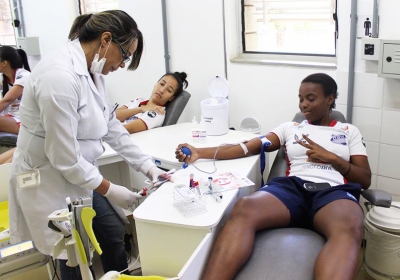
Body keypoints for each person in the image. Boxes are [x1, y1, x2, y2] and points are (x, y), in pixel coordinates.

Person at [8, 10, 168, 280]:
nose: (122, 65)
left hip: (80, 176)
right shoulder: (59, 76)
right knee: (72, 252)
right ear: (105, 40)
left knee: (112, 232)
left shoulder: (94, 72)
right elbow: (64, 158)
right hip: (49, 179)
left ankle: (118, 276)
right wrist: (112, 189)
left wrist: (146, 165)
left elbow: (110, 126)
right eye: (125, 55)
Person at [175, 73, 371, 280]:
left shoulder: (349, 131)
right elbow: (248, 147)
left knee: (350, 224)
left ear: (330, 99)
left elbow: (364, 178)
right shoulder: (290, 128)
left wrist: (333, 159)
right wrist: (199, 152)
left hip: (333, 192)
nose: (303, 105)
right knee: (244, 207)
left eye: (310, 99)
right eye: (301, 99)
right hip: (291, 189)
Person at [116, 71, 188, 133]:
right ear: (156, 84)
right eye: (162, 84)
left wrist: (141, 109)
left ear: (171, 97)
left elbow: (126, 129)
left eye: (169, 90)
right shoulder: (138, 100)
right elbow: (111, 115)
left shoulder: (157, 113)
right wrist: (141, 109)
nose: (162, 90)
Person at [0, 46, 30, 134]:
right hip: (11, 117)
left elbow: (6, 101)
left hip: (25, 121)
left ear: (4, 63)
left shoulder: (24, 76)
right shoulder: (5, 79)